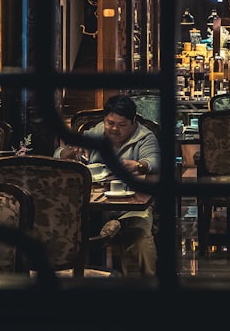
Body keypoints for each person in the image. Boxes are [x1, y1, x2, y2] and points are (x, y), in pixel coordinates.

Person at [54, 94, 161, 277]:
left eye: (121, 125)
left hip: (130, 207)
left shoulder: (144, 136)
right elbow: (57, 155)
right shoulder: (95, 133)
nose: (114, 129)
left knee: (141, 239)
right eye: (110, 123)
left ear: (133, 122)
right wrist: (70, 152)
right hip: (91, 209)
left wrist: (139, 165)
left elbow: (155, 161)